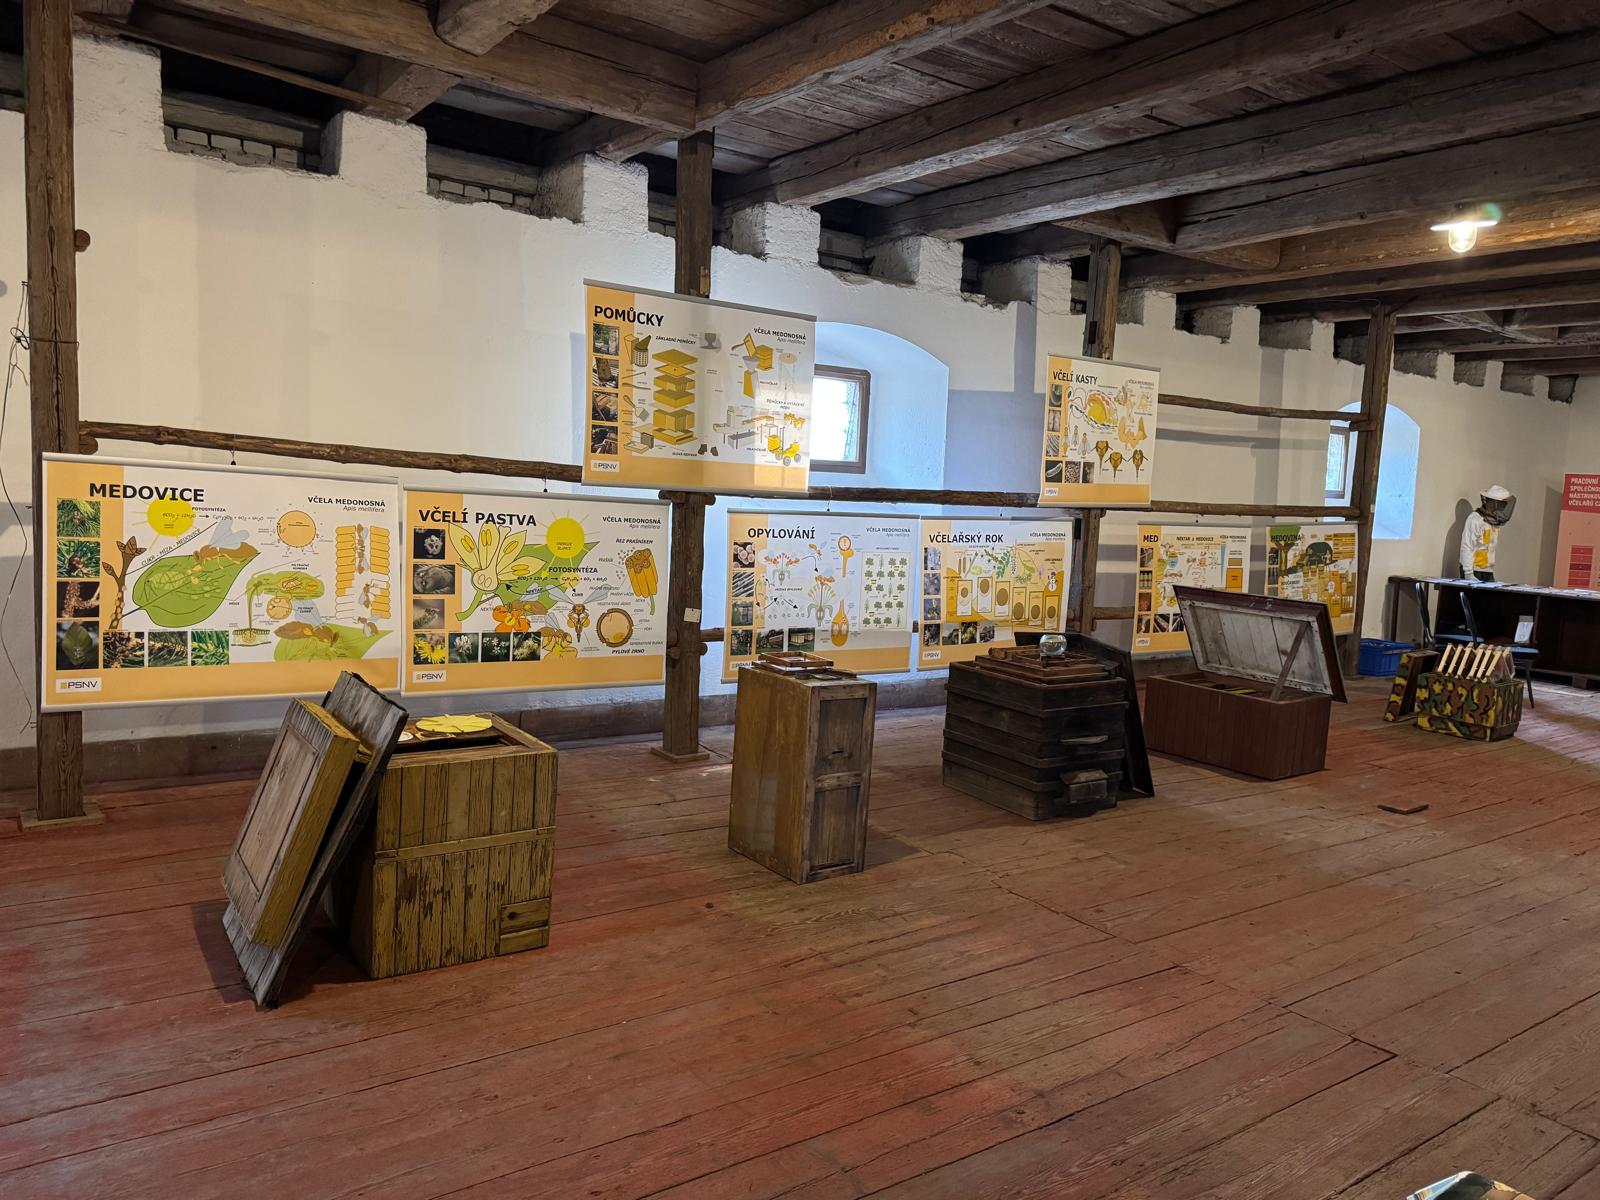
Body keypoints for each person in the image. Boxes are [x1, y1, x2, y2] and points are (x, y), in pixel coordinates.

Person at [1459, 485, 1515, 581]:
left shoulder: (1494, 522)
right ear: (1494, 503)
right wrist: (1468, 573)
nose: (1504, 507)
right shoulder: (1475, 519)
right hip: (1473, 570)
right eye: (1503, 503)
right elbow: (1467, 545)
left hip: (1487, 571)